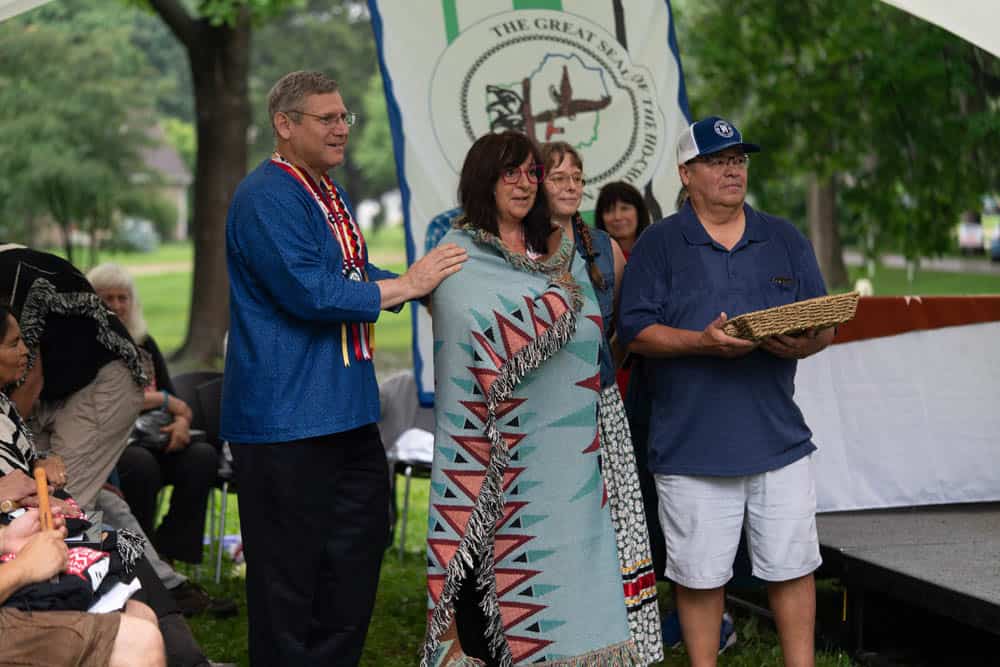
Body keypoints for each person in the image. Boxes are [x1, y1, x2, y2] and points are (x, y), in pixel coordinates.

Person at [221, 70, 466, 667]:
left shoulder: (328, 190)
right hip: (287, 421)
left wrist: (415, 289)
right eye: (326, 118)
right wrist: (408, 283)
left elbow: (349, 276)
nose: (341, 129)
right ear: (285, 125)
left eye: (344, 117)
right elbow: (309, 292)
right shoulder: (266, 197)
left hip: (350, 414)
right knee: (288, 583)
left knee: (353, 563)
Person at [618, 116, 834, 667]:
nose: (732, 169)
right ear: (686, 174)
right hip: (691, 445)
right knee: (699, 573)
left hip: (778, 439)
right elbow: (635, 331)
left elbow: (824, 324)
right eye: (717, 160)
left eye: (738, 158)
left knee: (793, 566)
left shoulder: (783, 236)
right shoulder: (659, 243)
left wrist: (802, 343)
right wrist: (701, 342)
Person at [424, 131, 645, 666]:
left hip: (570, 454)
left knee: (576, 570)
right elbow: (462, 344)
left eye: (531, 173)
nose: (525, 184)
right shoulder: (459, 257)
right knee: (493, 593)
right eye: (510, 173)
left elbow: (594, 334)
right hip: (494, 457)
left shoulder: (561, 253)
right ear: (484, 180)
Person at [539, 141, 662, 663]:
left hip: (601, 406)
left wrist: (600, 371)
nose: (570, 184)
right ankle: (551, 638)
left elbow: (623, 327)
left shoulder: (603, 247)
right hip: (541, 416)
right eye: (556, 175)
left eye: (577, 175)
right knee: (553, 524)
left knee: (609, 525)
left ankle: (613, 642)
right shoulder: (518, 247)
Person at [88, 262, 218, 566]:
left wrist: (183, 422)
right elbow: (102, 401)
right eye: (108, 298)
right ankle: (139, 557)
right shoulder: (86, 346)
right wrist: (159, 400)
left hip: (157, 436)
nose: (118, 305)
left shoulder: (144, 342)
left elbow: (174, 397)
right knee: (140, 465)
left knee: (202, 456)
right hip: (113, 445)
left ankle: (170, 549)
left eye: (124, 298)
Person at [594, 180, 652, 398]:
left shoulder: (656, 256)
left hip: (650, 366)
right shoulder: (593, 265)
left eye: (625, 208)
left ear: (639, 211)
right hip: (610, 369)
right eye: (609, 210)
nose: (617, 217)